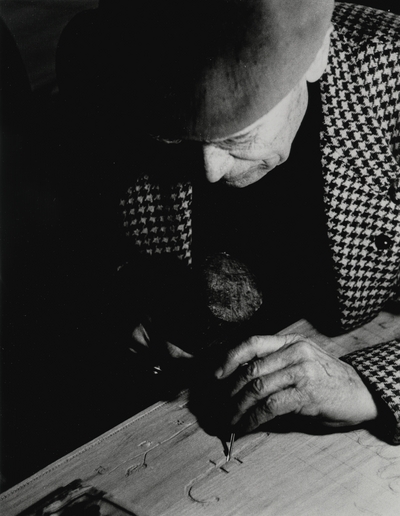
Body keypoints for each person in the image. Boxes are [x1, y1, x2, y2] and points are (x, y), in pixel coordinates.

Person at [105, 1, 400, 443]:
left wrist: (365, 389)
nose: (210, 171)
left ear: (316, 54)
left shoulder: (392, 76)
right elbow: (80, 232)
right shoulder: (108, 56)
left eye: (238, 136)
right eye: (175, 138)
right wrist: (123, 300)